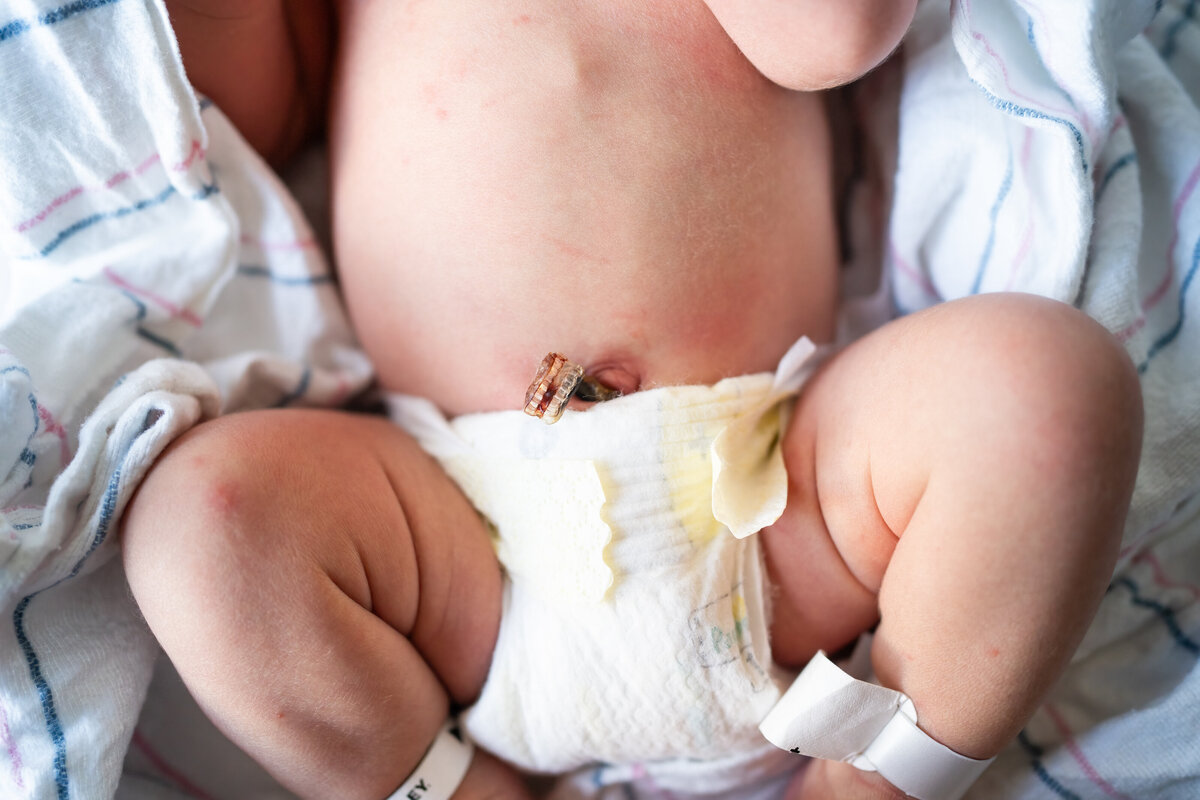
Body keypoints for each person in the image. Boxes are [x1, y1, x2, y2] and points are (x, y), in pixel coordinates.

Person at [120, 1, 1144, 798]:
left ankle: (881, 771)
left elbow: (837, 32)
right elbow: (249, 114)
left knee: (1047, 398)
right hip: (459, 543)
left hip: (781, 495)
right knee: (195, 527)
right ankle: (439, 782)